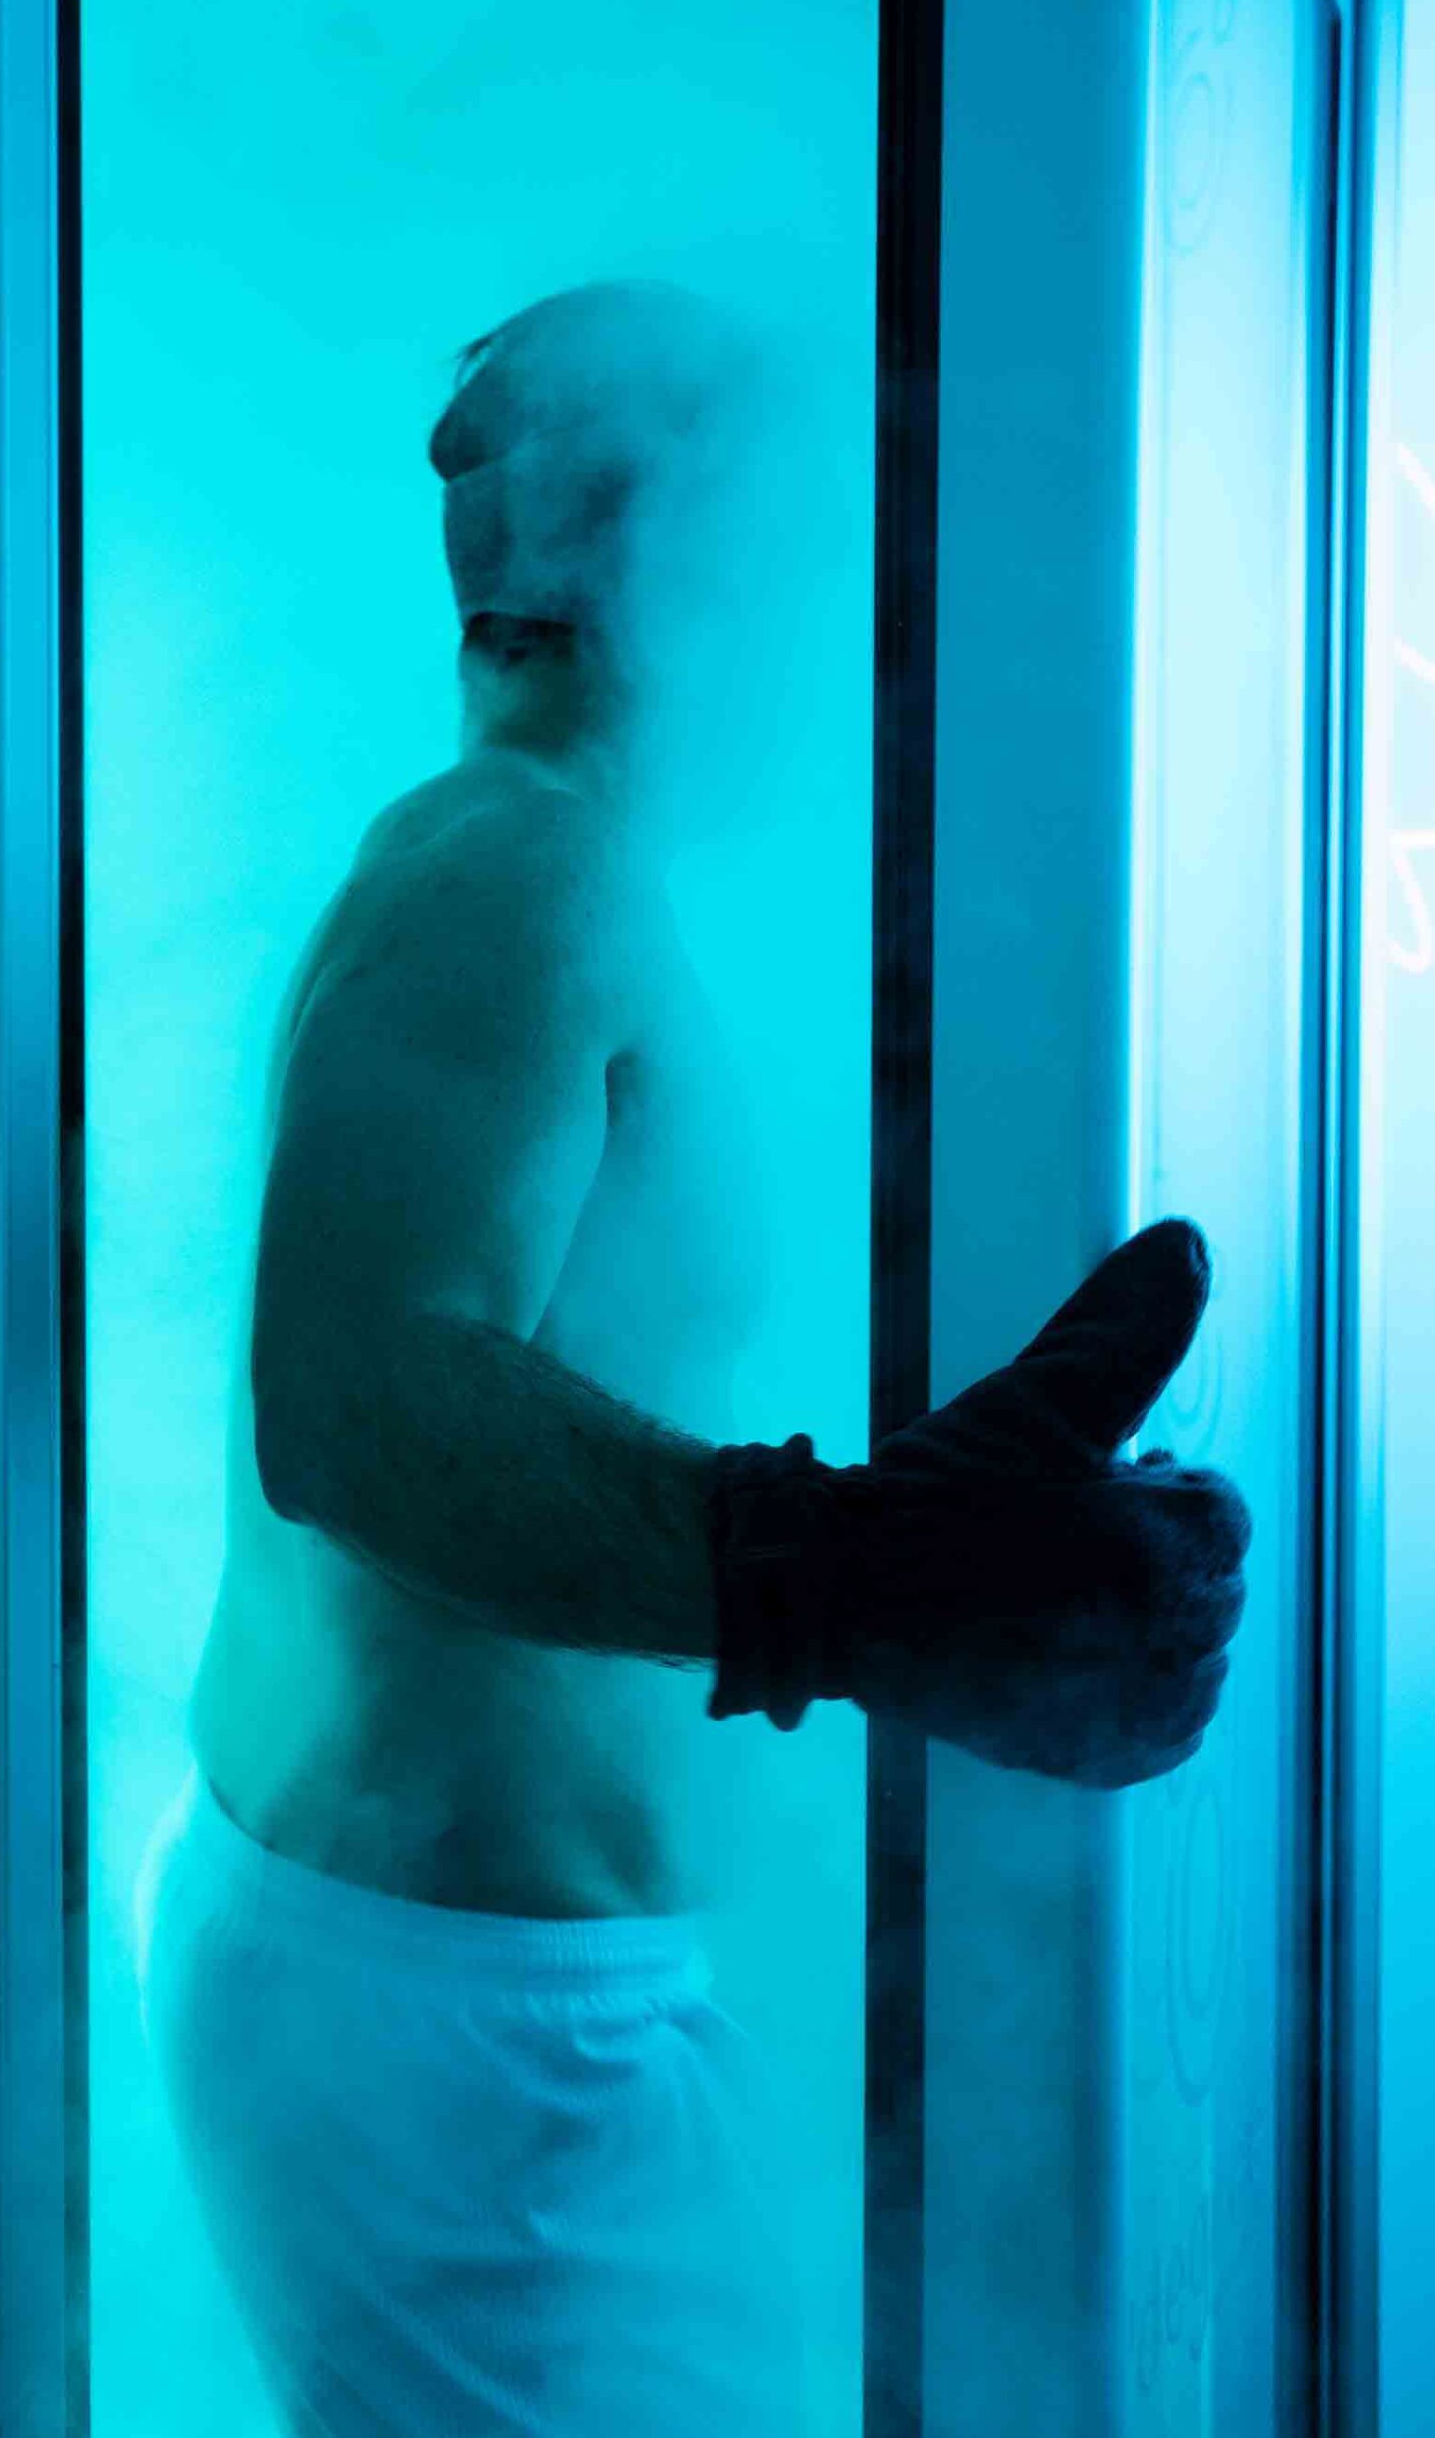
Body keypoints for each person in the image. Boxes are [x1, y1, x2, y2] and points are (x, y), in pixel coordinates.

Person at [134, 280, 1250, 2436]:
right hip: (470, 2028)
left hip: (471, 1999)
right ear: (645, 553)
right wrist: (835, 1568)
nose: (842, 592)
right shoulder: (512, 872)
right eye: (796, 532)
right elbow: (349, 1399)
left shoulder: (553, 868)